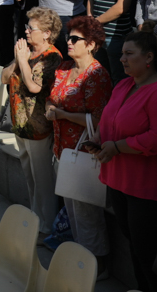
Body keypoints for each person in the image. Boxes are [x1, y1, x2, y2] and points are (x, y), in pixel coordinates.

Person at [96, 31, 157, 292]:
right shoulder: (124, 85)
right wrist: (99, 138)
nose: (121, 59)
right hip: (119, 181)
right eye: (122, 53)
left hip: (146, 188)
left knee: (148, 254)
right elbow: (107, 119)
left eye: (128, 54)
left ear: (149, 57)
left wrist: (118, 147)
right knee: (135, 247)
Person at [46, 16, 113, 265]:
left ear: (91, 44)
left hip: (83, 154)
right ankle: (80, 264)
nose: (69, 42)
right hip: (61, 151)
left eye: (75, 39)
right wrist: (49, 106)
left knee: (87, 215)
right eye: (68, 37)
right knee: (73, 213)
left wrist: (61, 114)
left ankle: (96, 265)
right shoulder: (63, 67)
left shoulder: (97, 75)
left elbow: (98, 119)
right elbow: (52, 97)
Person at [2, 7, 63, 231]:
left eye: (31, 28)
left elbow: (34, 86)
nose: (26, 31)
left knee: (43, 180)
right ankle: (35, 219)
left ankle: (47, 226)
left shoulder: (52, 56)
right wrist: (19, 60)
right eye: (27, 27)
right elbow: (3, 77)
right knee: (30, 178)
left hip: (39, 127)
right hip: (21, 125)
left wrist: (23, 61)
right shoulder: (25, 52)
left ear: (46, 33)